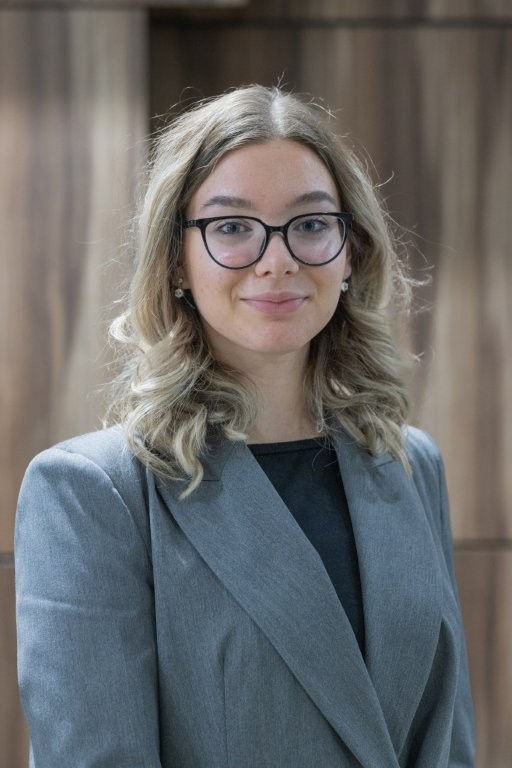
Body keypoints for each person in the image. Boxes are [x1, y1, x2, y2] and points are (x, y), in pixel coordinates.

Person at [15, 84, 476, 767]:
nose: (278, 258)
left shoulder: (410, 463)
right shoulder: (93, 494)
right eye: (232, 227)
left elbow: (450, 742)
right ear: (176, 260)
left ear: (350, 251)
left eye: (311, 223)